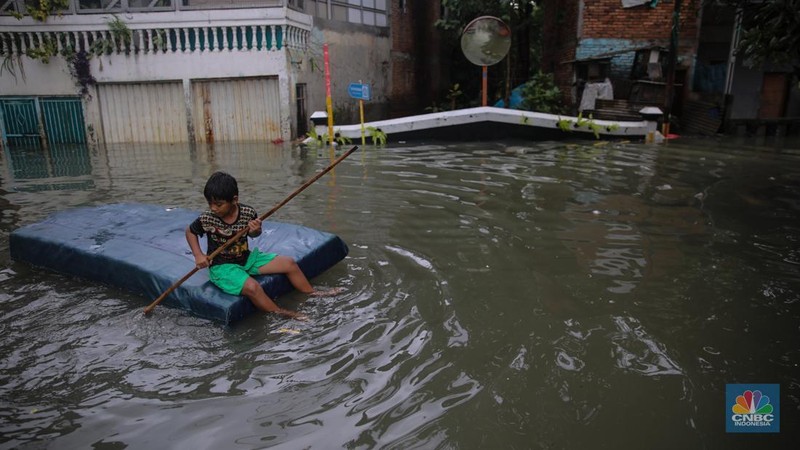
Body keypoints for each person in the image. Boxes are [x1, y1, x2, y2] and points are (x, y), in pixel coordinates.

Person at [186, 171, 341, 320]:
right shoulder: (208, 218)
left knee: (289, 263)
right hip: (222, 266)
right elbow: (190, 232)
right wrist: (198, 255)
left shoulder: (247, 212)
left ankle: (311, 293)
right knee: (253, 287)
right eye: (210, 203)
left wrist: (256, 230)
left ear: (234, 200)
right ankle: (280, 312)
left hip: (246, 258)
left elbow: (254, 235)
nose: (213, 208)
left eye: (218, 204)